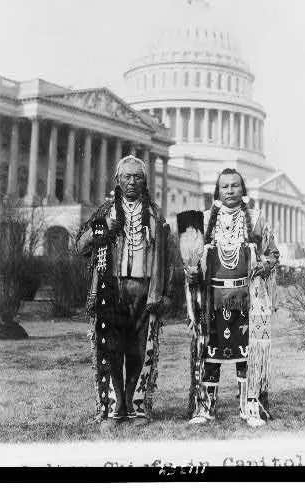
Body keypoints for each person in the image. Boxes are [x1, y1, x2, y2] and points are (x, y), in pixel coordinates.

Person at [76, 155, 177, 429]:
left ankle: (135, 406)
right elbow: (83, 246)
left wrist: (164, 293)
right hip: (112, 290)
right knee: (112, 350)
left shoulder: (155, 215)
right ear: (117, 180)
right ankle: (114, 406)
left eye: (138, 177)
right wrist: (103, 232)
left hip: (145, 290)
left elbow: (167, 259)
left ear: (145, 181)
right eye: (127, 176)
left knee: (139, 351)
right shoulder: (105, 213)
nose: (132, 182)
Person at [186, 168, 279, 428]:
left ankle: (249, 407)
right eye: (224, 186)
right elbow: (191, 260)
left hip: (247, 297)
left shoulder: (256, 219)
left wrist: (265, 265)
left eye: (235, 186)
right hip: (212, 297)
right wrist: (191, 272)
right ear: (217, 190)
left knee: (246, 353)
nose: (229, 191)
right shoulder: (204, 221)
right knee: (209, 353)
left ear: (243, 189)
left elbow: (272, 253)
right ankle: (205, 408)